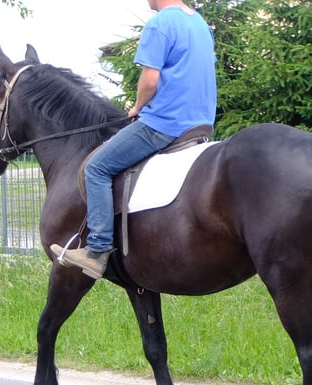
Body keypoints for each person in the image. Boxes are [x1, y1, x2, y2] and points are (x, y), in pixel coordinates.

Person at [50, 0, 217, 279]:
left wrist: (138, 107)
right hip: (200, 123)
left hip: (165, 122)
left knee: (97, 168)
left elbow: (150, 80)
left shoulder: (160, 23)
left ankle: (97, 251)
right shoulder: (199, 24)